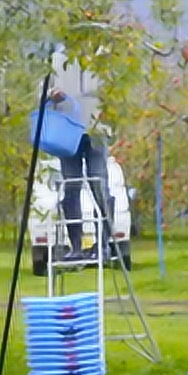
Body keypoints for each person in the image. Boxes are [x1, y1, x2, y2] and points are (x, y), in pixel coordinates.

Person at [48, 47, 114, 262]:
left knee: (99, 184)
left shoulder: (102, 57)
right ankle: (76, 245)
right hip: (68, 131)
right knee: (71, 185)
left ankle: (103, 243)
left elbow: (116, 91)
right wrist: (52, 96)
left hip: (96, 129)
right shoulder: (57, 60)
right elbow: (43, 93)